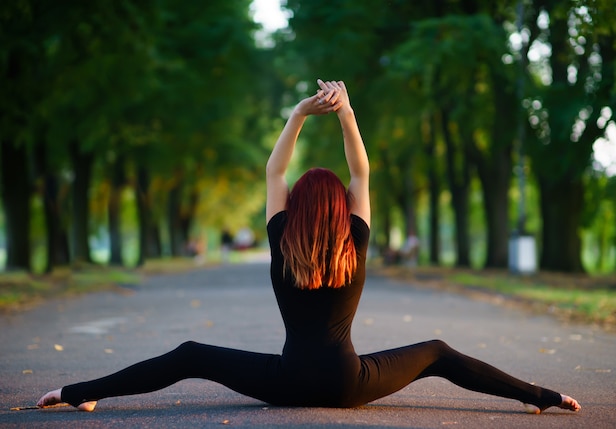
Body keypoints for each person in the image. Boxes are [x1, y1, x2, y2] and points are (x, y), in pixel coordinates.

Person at [38, 79, 580, 415]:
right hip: (350, 383)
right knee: (437, 351)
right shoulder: (356, 241)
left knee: (190, 357)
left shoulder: (280, 238)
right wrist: (345, 111)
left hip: (287, 381)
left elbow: (275, 169)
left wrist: (299, 113)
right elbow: (361, 172)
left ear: (294, 207)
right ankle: (542, 397)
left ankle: (79, 392)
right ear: (342, 209)